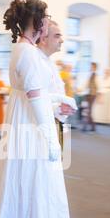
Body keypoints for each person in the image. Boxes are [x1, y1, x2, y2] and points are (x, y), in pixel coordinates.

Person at [0, 0, 74, 218]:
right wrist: (51, 139)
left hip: (24, 120)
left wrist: (61, 100)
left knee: (29, 184)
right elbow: (36, 98)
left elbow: (37, 93)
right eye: (45, 18)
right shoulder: (27, 52)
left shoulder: (23, 49)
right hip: (30, 126)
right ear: (36, 22)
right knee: (33, 184)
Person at [37, 19, 77, 149]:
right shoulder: (37, 62)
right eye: (57, 36)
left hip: (54, 120)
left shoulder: (49, 61)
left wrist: (62, 108)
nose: (62, 40)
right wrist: (57, 108)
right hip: (43, 125)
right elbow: (34, 99)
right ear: (43, 39)